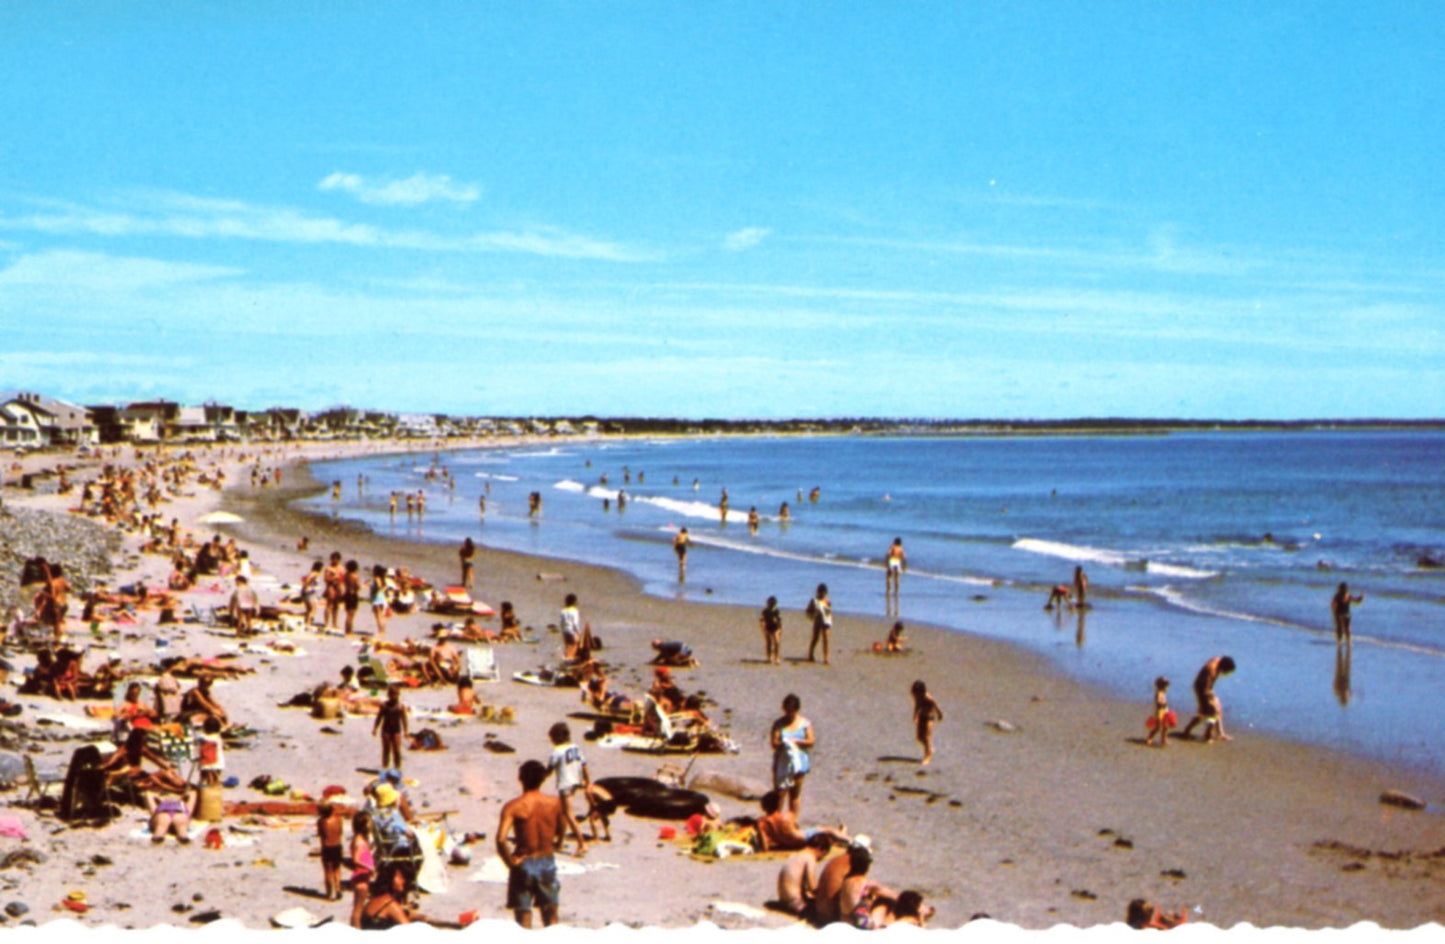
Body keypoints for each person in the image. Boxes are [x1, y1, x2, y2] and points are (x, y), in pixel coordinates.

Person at [496, 759, 566, 928]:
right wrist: (556, 844)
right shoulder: (555, 803)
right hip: (546, 859)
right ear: (543, 780)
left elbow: (501, 839)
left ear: (521, 779)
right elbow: (561, 830)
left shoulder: (513, 806)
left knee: (523, 920)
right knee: (551, 919)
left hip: (524, 861)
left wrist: (510, 863)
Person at [546, 722, 591, 857]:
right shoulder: (575, 748)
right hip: (576, 782)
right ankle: (559, 842)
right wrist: (587, 780)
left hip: (565, 784)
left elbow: (549, 770)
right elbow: (584, 765)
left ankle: (582, 843)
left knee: (569, 814)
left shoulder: (557, 751)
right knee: (564, 812)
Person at [771, 694, 814, 814]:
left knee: (794, 794)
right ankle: (777, 820)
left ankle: (792, 822)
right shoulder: (779, 724)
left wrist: (798, 742)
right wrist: (783, 744)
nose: (789, 714)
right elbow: (774, 742)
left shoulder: (805, 724)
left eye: (792, 712)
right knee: (779, 793)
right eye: (787, 711)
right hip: (782, 761)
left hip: (799, 762)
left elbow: (811, 741)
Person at [1179, 656, 1237, 743]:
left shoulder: (1218, 660)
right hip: (1202, 689)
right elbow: (1205, 688)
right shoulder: (1212, 670)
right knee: (1209, 712)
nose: (1225, 674)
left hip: (1207, 688)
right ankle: (1206, 735)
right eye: (1226, 672)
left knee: (1217, 709)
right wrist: (1209, 700)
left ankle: (1221, 734)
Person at [777, 832, 833, 919]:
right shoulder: (810, 858)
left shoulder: (795, 855)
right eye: (822, 856)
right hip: (796, 904)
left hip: (783, 900)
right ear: (821, 849)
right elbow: (812, 887)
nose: (820, 860)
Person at [348, 812, 375, 929]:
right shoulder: (359, 841)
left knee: (357, 907)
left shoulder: (359, 838)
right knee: (358, 909)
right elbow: (356, 859)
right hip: (361, 876)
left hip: (362, 876)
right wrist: (369, 867)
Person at [373, 684, 409, 770]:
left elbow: (404, 720)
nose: (393, 696)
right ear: (388, 695)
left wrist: (406, 731)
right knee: (386, 750)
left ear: (398, 694)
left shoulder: (401, 707)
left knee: (397, 750)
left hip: (396, 730)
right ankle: (385, 768)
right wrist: (375, 728)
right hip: (386, 729)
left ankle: (397, 768)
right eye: (391, 694)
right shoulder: (384, 705)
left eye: (395, 694)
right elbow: (379, 717)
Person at [317, 800, 346, 901]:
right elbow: (340, 832)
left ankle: (330, 893)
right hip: (337, 846)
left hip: (327, 847)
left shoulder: (321, 822)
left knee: (328, 871)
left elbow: (321, 835)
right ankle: (338, 890)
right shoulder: (339, 819)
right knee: (337, 869)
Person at [911, 680, 943, 765]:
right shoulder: (918, 698)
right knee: (919, 737)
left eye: (916, 694)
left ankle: (927, 756)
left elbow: (936, 706)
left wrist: (939, 714)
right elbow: (917, 707)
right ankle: (930, 749)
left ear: (922, 692)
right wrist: (915, 716)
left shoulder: (927, 697)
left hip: (929, 719)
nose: (915, 696)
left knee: (926, 738)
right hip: (922, 718)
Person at [1145, 676, 1176, 748]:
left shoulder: (1163, 693)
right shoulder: (1159, 693)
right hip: (1160, 712)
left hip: (1165, 710)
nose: (1167, 688)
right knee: (1158, 727)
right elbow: (1159, 703)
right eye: (1166, 686)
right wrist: (1162, 704)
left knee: (1166, 726)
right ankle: (1149, 738)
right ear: (1162, 686)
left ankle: (1163, 739)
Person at [805, 583, 832, 665]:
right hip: (817, 621)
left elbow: (829, 611)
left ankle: (826, 658)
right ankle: (811, 654)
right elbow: (807, 611)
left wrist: (830, 619)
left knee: (826, 638)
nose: (822, 594)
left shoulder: (827, 600)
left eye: (824, 592)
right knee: (815, 638)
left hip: (826, 621)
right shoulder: (814, 600)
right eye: (821, 592)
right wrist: (813, 615)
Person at [196, 716, 225, 785]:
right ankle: (215, 789)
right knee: (216, 779)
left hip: (205, 763)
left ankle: (204, 791)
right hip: (218, 763)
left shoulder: (203, 738)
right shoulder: (218, 738)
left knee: (204, 779)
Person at [322, 552, 345, 632]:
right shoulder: (329, 568)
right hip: (331, 587)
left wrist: (342, 589)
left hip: (338, 587)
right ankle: (326, 623)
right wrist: (334, 578)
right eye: (333, 559)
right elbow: (326, 579)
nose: (335, 560)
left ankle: (335, 623)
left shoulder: (341, 568)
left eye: (336, 559)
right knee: (329, 605)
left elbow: (343, 580)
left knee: (336, 606)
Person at [760, 596, 783, 665]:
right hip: (768, 627)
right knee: (768, 642)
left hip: (776, 627)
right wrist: (763, 628)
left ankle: (776, 657)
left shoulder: (776, 611)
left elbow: (779, 621)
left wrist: (780, 629)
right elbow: (762, 620)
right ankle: (769, 657)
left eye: (773, 604)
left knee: (776, 642)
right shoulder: (765, 611)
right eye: (770, 604)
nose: (772, 606)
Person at [342, 560, 362, 636]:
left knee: (348, 614)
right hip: (353, 595)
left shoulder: (346, 575)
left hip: (347, 594)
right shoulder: (355, 576)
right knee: (352, 614)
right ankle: (349, 631)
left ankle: (347, 630)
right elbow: (358, 586)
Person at [558, 594, 581, 659]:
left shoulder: (563, 611)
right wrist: (578, 633)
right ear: (574, 602)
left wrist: (562, 631)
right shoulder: (575, 611)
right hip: (572, 631)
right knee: (574, 645)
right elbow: (575, 624)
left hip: (565, 631)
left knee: (567, 646)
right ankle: (571, 658)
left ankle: (566, 657)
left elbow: (561, 623)